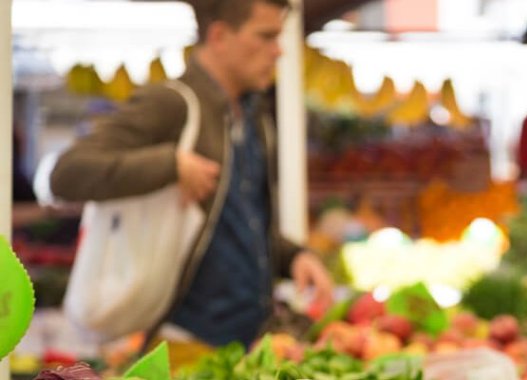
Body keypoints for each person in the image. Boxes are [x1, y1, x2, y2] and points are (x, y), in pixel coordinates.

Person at [48, 0, 334, 351]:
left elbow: (240, 223)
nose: (279, 52)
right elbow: (67, 173)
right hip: (182, 346)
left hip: (249, 345)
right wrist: (170, 165)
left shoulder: (254, 116)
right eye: (266, 36)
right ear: (219, 36)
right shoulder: (172, 104)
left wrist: (293, 257)